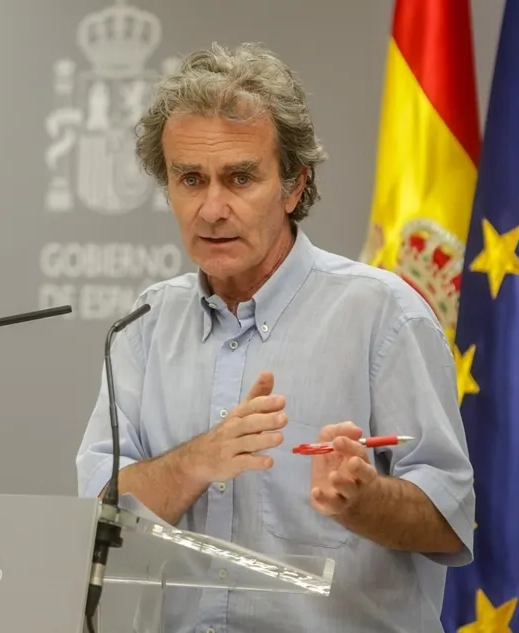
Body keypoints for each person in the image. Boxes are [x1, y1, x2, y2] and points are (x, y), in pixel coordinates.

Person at [76, 42, 475, 633]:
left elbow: (449, 517)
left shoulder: (384, 314)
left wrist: (365, 501)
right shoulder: (146, 323)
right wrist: (199, 461)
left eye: (240, 178)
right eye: (190, 179)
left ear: (293, 186)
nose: (212, 208)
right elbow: (98, 512)